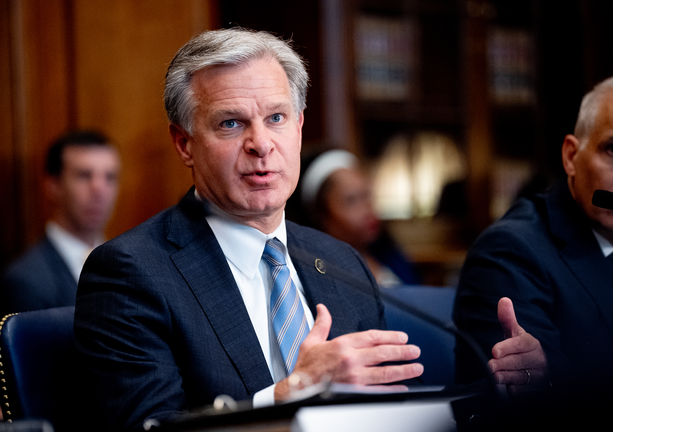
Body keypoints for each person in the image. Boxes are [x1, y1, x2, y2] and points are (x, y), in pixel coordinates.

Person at [73, 28, 423, 431]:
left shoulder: (342, 261)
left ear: (299, 126)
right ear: (184, 143)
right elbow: (146, 427)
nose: (261, 144)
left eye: (276, 118)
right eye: (231, 124)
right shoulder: (131, 272)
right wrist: (288, 395)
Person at [452, 77, 612, 427]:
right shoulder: (511, 250)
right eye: (614, 150)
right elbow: (533, 405)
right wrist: (541, 379)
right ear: (571, 156)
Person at [1, 130, 121, 313]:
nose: (100, 190)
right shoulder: (25, 281)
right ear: (53, 186)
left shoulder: (126, 265)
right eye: (84, 175)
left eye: (110, 177)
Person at [286, 148, 421, 287]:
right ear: (321, 214)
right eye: (351, 200)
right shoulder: (319, 277)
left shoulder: (391, 257)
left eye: (367, 195)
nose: (367, 210)